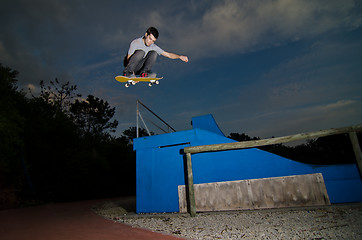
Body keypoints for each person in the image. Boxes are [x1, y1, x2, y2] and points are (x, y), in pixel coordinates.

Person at [123, 27, 189, 78]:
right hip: (131, 67)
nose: (150, 42)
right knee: (141, 52)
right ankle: (128, 72)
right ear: (146, 35)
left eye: (153, 41)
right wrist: (132, 74)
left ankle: (144, 73)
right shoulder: (136, 43)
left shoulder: (153, 46)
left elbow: (168, 54)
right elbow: (129, 58)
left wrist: (179, 56)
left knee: (154, 52)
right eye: (150, 39)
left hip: (140, 68)